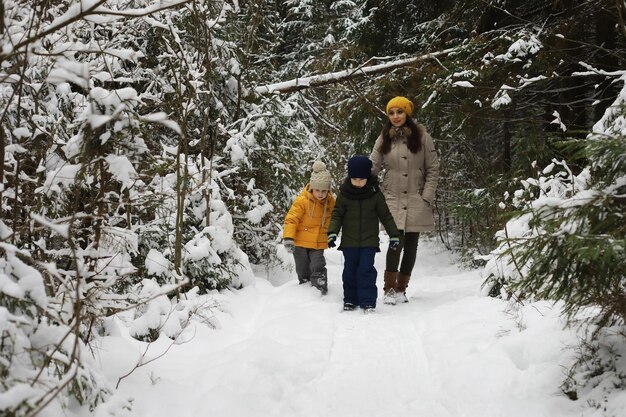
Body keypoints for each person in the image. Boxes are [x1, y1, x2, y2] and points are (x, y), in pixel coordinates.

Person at [369, 96, 440, 305]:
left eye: (399, 112)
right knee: (394, 241)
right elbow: (373, 165)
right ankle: (389, 289)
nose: (395, 116)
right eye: (391, 113)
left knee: (411, 245)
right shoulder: (384, 137)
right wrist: (360, 180)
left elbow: (433, 169)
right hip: (392, 197)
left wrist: (426, 196)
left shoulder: (423, 136)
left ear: (407, 113)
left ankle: (401, 289)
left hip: (416, 197)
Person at [327, 156, 400, 313]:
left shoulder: (375, 194)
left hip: (369, 242)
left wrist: (394, 235)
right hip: (349, 242)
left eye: (361, 179)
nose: (358, 182)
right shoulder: (345, 194)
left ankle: (367, 301)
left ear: (367, 177)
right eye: (354, 179)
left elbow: (386, 215)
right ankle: (350, 300)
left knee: (366, 270)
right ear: (350, 177)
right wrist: (332, 232)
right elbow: (337, 215)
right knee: (350, 271)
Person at [283, 161, 336, 295]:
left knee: (317, 265)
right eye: (317, 190)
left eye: (324, 191)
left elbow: (335, 220)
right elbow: (292, 218)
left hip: (318, 243)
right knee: (302, 268)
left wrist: (332, 233)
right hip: (300, 242)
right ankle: (305, 290)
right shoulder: (302, 201)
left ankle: (320, 288)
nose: (320, 194)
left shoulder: (330, 203)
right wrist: (289, 237)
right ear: (312, 188)